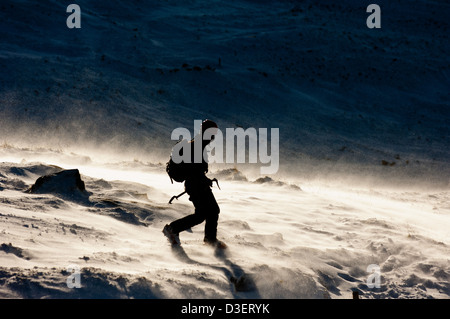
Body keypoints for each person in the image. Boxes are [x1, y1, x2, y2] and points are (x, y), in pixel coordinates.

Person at [163, 119, 226, 248]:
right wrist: (203, 179)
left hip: (196, 184)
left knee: (208, 212)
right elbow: (194, 170)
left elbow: (195, 170)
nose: (213, 137)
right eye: (212, 133)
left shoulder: (198, 144)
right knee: (207, 213)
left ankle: (209, 239)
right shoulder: (197, 145)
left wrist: (205, 179)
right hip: (196, 186)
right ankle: (174, 229)